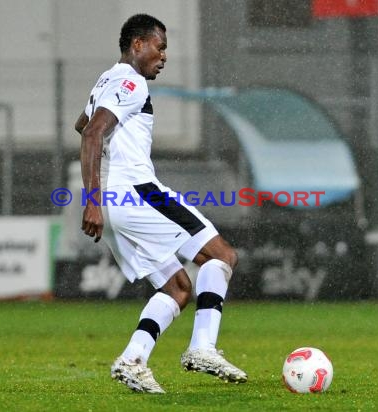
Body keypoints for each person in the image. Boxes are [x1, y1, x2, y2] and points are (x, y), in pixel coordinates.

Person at [75, 13, 247, 394]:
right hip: (137, 191)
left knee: (177, 288)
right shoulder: (131, 82)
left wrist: (97, 198)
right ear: (138, 45)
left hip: (115, 201)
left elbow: (82, 123)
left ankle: (133, 359)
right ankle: (202, 347)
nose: (164, 56)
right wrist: (92, 202)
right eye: (160, 46)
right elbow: (91, 132)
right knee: (221, 255)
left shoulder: (106, 78)